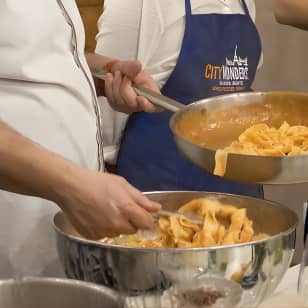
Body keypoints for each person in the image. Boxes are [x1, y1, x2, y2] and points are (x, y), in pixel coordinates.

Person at [0, 0, 160, 278]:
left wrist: (103, 73)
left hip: (62, 225)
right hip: (13, 224)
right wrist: (70, 185)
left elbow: (32, 57)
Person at [96, 0, 264, 197]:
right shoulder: (138, 4)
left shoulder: (245, 4)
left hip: (241, 191)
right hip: (162, 189)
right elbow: (106, 105)